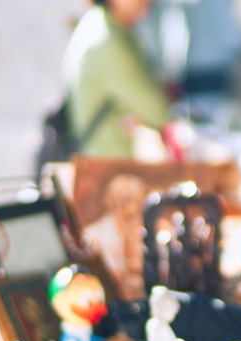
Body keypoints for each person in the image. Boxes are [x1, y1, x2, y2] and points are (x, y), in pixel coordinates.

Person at [62, 0, 171, 158]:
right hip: (109, 166)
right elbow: (157, 111)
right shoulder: (107, 40)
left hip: (103, 158)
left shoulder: (101, 22)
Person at [82, 173, 147, 301]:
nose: (134, 208)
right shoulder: (94, 234)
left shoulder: (142, 230)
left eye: (137, 202)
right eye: (128, 201)